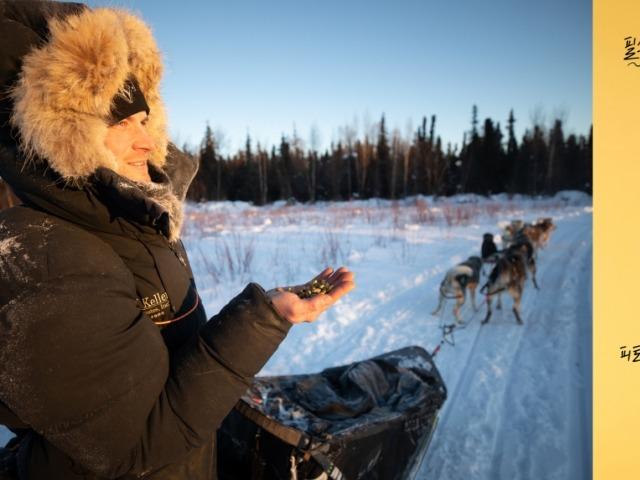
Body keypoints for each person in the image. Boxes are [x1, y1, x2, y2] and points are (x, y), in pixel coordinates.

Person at [0, 2, 355, 479]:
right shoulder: (46, 257)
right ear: (62, 134)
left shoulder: (130, 222)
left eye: (144, 119)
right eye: (120, 123)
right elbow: (140, 444)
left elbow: (169, 375)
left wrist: (270, 310)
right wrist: (261, 322)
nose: (146, 142)